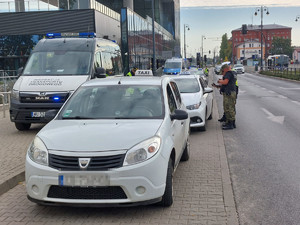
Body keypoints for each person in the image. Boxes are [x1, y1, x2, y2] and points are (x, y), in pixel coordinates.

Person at [214, 64, 237, 130]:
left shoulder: (229, 73)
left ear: (226, 69)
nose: (223, 74)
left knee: (229, 108)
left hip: (229, 93)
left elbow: (225, 82)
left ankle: (231, 123)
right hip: (231, 92)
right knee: (230, 108)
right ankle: (230, 123)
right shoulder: (233, 73)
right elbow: (229, 83)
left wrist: (219, 81)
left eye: (223, 72)